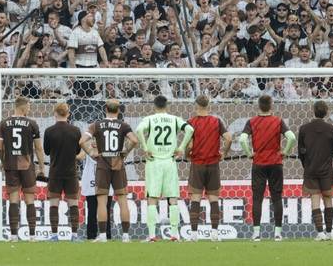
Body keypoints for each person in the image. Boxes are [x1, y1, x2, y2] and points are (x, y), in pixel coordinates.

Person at [135, 95, 192, 242]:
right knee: (172, 198)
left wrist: (145, 147)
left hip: (154, 162)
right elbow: (190, 130)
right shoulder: (174, 119)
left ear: (154, 106)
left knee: (152, 198)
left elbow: (139, 130)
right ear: (167, 105)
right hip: (169, 161)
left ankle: (152, 235)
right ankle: (175, 234)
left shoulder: (149, 119)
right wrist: (181, 147)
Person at [239, 94, 295, 241]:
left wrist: (249, 153)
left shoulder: (252, 122)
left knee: (257, 198)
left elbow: (242, 139)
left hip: (259, 163)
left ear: (259, 105)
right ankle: (277, 233)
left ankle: (256, 233)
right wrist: (285, 151)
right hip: (276, 163)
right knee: (277, 198)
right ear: (271, 105)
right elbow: (292, 137)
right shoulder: (278, 121)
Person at [82, 99, 137, 242]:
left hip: (102, 165)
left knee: (101, 201)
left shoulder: (96, 125)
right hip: (118, 164)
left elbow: (82, 141)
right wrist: (125, 151)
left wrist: (91, 153)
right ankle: (125, 236)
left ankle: (102, 236)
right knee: (122, 200)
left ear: (105, 109)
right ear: (118, 110)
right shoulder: (123, 125)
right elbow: (135, 140)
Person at [0, 96, 43, 241]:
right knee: (30, 200)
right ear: (22, 107)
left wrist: (3, 161)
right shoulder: (32, 124)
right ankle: (32, 235)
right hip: (27, 166)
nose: (30, 108)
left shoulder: (3, 124)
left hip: (10, 165)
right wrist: (41, 167)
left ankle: (14, 235)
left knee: (13, 200)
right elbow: (39, 148)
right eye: (29, 106)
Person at [185, 95, 230, 241]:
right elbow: (229, 138)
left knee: (196, 199)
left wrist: (187, 155)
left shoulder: (191, 122)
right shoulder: (216, 121)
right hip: (213, 165)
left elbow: (190, 145)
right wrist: (224, 152)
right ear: (208, 105)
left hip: (198, 164)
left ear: (196, 105)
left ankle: (193, 235)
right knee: (214, 199)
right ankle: (215, 234)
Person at [299, 100, 333, 241]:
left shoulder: (304, 129)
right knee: (328, 199)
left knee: (315, 199)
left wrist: (307, 165)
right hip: (326, 169)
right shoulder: (332, 129)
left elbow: (301, 151)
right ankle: (329, 233)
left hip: (311, 169)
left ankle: (320, 233)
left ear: (313, 111)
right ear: (327, 112)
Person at [42, 102, 83, 241]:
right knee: (73, 204)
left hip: (55, 172)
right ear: (68, 114)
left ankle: (54, 235)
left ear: (55, 113)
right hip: (71, 172)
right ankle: (74, 235)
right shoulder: (76, 131)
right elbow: (77, 151)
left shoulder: (49, 131)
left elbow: (47, 151)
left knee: (54, 204)